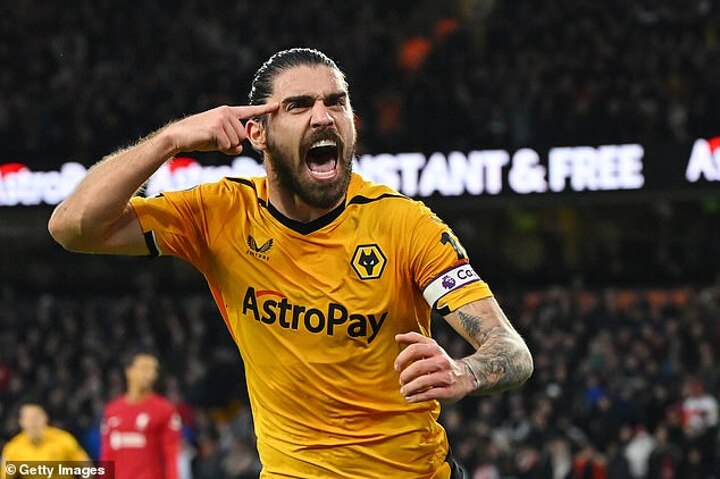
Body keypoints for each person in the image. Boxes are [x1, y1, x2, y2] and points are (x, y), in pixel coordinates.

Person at [49, 48, 534, 478]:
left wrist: (466, 373)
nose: (323, 117)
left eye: (336, 102)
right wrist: (169, 140)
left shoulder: (405, 225)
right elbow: (72, 227)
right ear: (257, 133)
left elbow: (511, 350)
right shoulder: (221, 214)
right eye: (299, 105)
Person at [100, 349, 181, 479]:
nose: (150, 375)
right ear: (129, 371)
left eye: (153, 370)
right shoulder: (112, 411)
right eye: (145, 369)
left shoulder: (165, 410)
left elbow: (171, 456)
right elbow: (106, 455)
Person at [0, 401, 90, 479]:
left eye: (36, 417)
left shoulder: (63, 439)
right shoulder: (13, 448)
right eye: (28, 418)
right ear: (21, 422)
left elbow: (86, 468)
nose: (33, 422)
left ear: (45, 418)